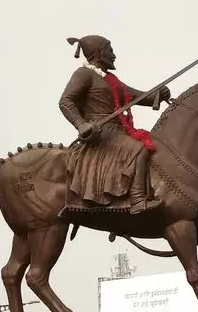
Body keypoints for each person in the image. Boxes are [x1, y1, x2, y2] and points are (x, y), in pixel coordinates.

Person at [60, 35, 169, 214]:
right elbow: (66, 101)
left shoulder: (110, 79)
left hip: (118, 131)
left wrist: (158, 93)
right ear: (98, 53)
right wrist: (81, 124)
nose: (114, 55)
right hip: (101, 132)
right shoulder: (84, 74)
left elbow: (136, 96)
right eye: (110, 50)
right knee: (139, 148)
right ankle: (137, 199)